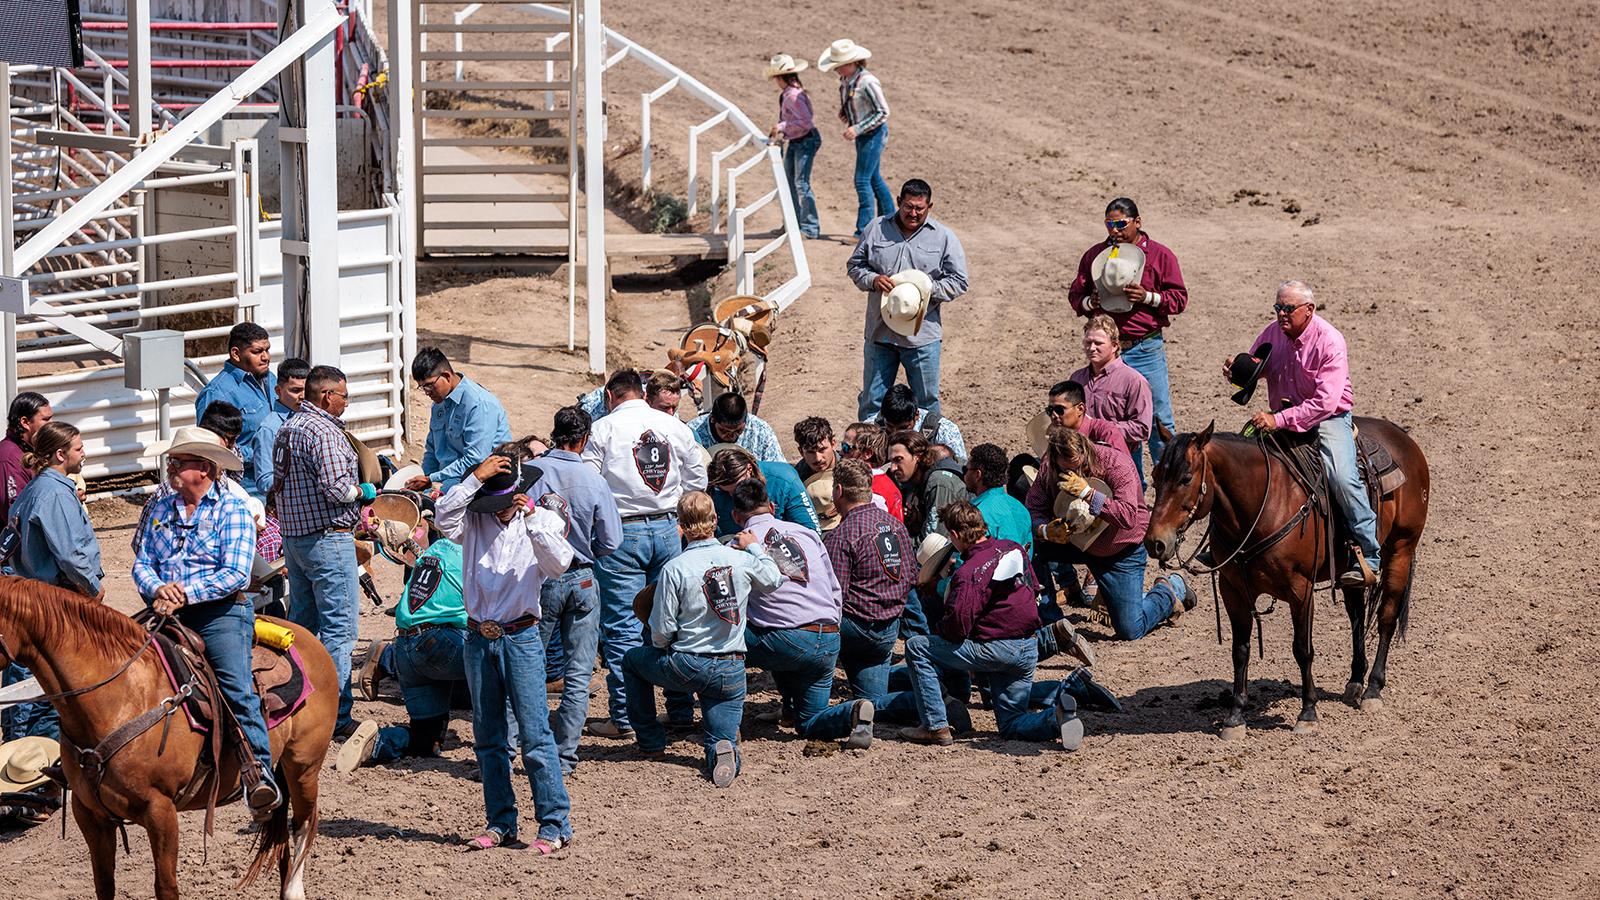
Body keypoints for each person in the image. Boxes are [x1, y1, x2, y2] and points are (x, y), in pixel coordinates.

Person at [132, 426, 281, 819]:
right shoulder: (160, 508)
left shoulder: (233, 510)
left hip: (220, 613)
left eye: (178, 462)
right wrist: (159, 588)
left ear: (205, 468)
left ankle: (257, 775)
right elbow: (142, 562)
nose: (171, 468)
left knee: (235, 686)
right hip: (164, 607)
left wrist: (183, 592)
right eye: (172, 461)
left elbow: (234, 573)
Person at [436, 453, 573, 852]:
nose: (494, 512)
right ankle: (501, 822)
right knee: (488, 735)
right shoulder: (473, 518)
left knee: (534, 734)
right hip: (480, 636)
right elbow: (443, 518)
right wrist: (474, 479)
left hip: (521, 636)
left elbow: (559, 564)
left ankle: (554, 825)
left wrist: (530, 520)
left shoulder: (543, 519)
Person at [894, 501, 1084, 750]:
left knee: (917, 647)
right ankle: (1056, 717)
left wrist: (941, 625)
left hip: (996, 649)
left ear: (953, 535)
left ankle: (934, 726)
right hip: (1028, 647)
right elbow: (1033, 588)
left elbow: (957, 628)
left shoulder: (968, 572)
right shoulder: (1011, 547)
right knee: (1010, 724)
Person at [580, 368, 707, 739]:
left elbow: (589, 487)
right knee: (671, 620)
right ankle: (680, 709)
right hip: (668, 526)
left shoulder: (603, 429)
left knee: (622, 627)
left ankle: (625, 717)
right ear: (643, 392)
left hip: (623, 529)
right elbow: (697, 479)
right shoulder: (674, 426)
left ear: (610, 396)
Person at [1228, 280, 1381, 586]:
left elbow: (1325, 403)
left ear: (1309, 309)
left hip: (1328, 419)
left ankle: (1369, 554)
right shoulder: (1273, 333)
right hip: (1282, 415)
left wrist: (1280, 420)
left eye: (1288, 308)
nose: (1281, 314)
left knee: (1342, 477)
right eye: (1277, 308)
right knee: (1239, 463)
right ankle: (1231, 542)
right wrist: (1238, 371)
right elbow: (1257, 366)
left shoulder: (1330, 341)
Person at [623, 491, 779, 787]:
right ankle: (723, 749)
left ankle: (650, 742)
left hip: (686, 664)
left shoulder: (675, 568)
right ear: (715, 520)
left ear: (679, 526)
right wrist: (755, 548)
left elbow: (661, 631)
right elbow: (773, 579)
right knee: (720, 732)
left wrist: (664, 647)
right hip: (731, 667)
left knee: (632, 662)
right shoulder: (740, 560)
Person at [273, 365, 376, 737]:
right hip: (327, 540)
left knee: (304, 625)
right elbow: (336, 489)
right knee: (340, 629)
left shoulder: (288, 426)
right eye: (344, 396)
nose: (347, 403)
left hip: (296, 539)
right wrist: (365, 492)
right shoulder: (324, 431)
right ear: (328, 396)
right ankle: (333, 712)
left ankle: (294, 700)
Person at [730, 479, 873, 748]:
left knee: (725, 648)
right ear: (772, 507)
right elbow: (834, 587)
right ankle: (852, 712)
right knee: (808, 723)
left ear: (736, 516)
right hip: (828, 637)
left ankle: (727, 724)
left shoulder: (737, 545)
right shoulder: (806, 533)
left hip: (787, 640)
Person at [1027, 427, 1192, 641]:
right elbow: (1032, 509)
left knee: (1130, 629)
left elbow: (1128, 516)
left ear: (1084, 451)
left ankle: (1170, 590)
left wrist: (1088, 493)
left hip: (1120, 550)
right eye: (1065, 470)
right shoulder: (1048, 468)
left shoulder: (1115, 463)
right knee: (1029, 546)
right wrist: (1045, 530)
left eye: (1078, 467)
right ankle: (1052, 623)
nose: (1074, 474)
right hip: (1076, 544)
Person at [527, 406, 623, 774]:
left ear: (554, 434)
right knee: (579, 672)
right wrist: (585, 551)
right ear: (584, 439)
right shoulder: (592, 479)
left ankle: (513, 745)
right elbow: (612, 540)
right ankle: (565, 755)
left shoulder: (532, 474)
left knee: (527, 667)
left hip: (542, 576)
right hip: (582, 576)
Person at [1067, 198, 1187, 483]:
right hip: (1110, 353)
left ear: (1137, 222)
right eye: (1110, 224)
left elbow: (1179, 299)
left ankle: (1168, 485)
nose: (1115, 230)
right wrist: (1088, 302)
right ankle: (1130, 484)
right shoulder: (1095, 255)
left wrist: (1147, 297)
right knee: (1114, 422)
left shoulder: (1161, 256)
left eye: (1121, 223)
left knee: (1159, 421)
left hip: (1146, 346)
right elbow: (1075, 297)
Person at [2, 421, 100, 742]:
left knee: (28, 691)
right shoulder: (56, 494)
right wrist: (93, 589)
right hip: (45, 610)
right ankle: (36, 776)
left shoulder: (37, 488)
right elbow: (72, 556)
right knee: (43, 698)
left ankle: (24, 765)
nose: (84, 453)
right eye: (78, 448)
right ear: (60, 454)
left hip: (29, 604)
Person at [339, 536, 469, 771]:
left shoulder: (434, 550)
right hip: (441, 643)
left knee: (428, 739)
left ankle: (378, 742)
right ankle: (507, 745)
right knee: (500, 668)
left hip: (405, 646)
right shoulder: (474, 555)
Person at [848, 179, 969, 421]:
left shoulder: (944, 237)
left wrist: (924, 290)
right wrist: (873, 280)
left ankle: (929, 455)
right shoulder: (875, 228)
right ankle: (871, 453)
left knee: (926, 403)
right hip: (880, 333)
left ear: (929, 206)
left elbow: (959, 281)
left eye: (919, 208)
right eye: (908, 207)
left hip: (921, 338)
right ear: (898, 202)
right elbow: (855, 266)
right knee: (872, 401)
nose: (913, 213)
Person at [823, 459, 919, 712]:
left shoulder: (842, 535)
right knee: (872, 703)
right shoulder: (897, 526)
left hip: (856, 627)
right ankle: (932, 700)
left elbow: (835, 597)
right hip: (888, 627)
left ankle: (799, 705)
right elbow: (911, 577)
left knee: (801, 635)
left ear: (839, 491)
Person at [406, 348, 513, 492]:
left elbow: (475, 462)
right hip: (448, 479)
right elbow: (432, 451)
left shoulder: (479, 404)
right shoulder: (438, 405)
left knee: (431, 507)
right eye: (422, 387)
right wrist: (424, 482)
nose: (426, 392)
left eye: (429, 385)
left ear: (446, 376)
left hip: (481, 482)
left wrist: (431, 480)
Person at [818, 38, 891, 239]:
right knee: (874, 179)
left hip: (872, 135)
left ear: (850, 64)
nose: (835, 71)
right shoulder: (848, 81)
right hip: (867, 136)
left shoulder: (867, 81)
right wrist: (847, 114)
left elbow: (883, 112)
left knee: (862, 180)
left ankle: (863, 232)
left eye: (837, 67)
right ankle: (891, 222)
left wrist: (857, 128)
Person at [1069, 315, 1152, 487]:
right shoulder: (1076, 378)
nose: (1091, 348)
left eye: (1098, 343)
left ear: (1115, 346)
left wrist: (1100, 428)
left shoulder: (1134, 380)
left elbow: (1142, 428)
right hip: (1079, 462)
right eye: (1087, 342)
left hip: (1116, 463)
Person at [195, 321, 276, 491]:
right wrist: (264, 453)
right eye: (257, 352)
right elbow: (212, 448)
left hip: (281, 480)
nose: (266, 357)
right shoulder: (216, 393)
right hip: (246, 487)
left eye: (267, 350)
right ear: (236, 354)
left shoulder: (272, 380)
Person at [765, 54, 820, 239]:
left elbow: (805, 121)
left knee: (799, 183)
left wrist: (781, 127)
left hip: (803, 141)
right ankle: (795, 223)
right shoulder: (796, 92)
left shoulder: (792, 95)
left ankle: (809, 228)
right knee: (792, 182)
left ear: (778, 77)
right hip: (801, 141)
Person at [706, 446, 818, 536]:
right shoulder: (713, 490)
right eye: (725, 491)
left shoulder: (784, 479)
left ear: (749, 470)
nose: (732, 495)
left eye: (736, 488)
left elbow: (811, 532)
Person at [887, 429, 969, 543]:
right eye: (891, 461)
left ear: (917, 457)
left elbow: (935, 545)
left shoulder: (939, 483)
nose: (893, 468)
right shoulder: (912, 480)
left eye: (898, 460)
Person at [250, 357, 310, 501]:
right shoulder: (270, 429)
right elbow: (264, 481)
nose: (302, 396)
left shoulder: (314, 419)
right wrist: (301, 484)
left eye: (306, 390)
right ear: (278, 390)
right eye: (295, 391)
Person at [963, 444, 1033, 550]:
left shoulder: (974, 513)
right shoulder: (1021, 509)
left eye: (966, 469)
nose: (964, 474)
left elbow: (969, 561)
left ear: (978, 475)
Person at [875, 384, 967, 464]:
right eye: (890, 426)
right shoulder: (874, 426)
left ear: (916, 415)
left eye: (903, 428)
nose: (895, 433)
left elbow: (959, 469)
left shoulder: (944, 430)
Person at [687, 392, 785, 463]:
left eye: (738, 430)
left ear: (746, 420)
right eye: (724, 430)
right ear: (712, 418)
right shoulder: (691, 432)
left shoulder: (761, 430)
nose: (732, 436)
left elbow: (778, 467)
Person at [0, 392, 50, 526]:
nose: (51, 425)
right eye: (46, 419)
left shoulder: (30, 450)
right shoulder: (9, 459)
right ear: (25, 423)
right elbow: (16, 518)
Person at [841, 422, 903, 520]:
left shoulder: (871, 493)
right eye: (842, 446)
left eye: (846, 448)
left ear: (867, 453)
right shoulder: (884, 482)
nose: (840, 453)